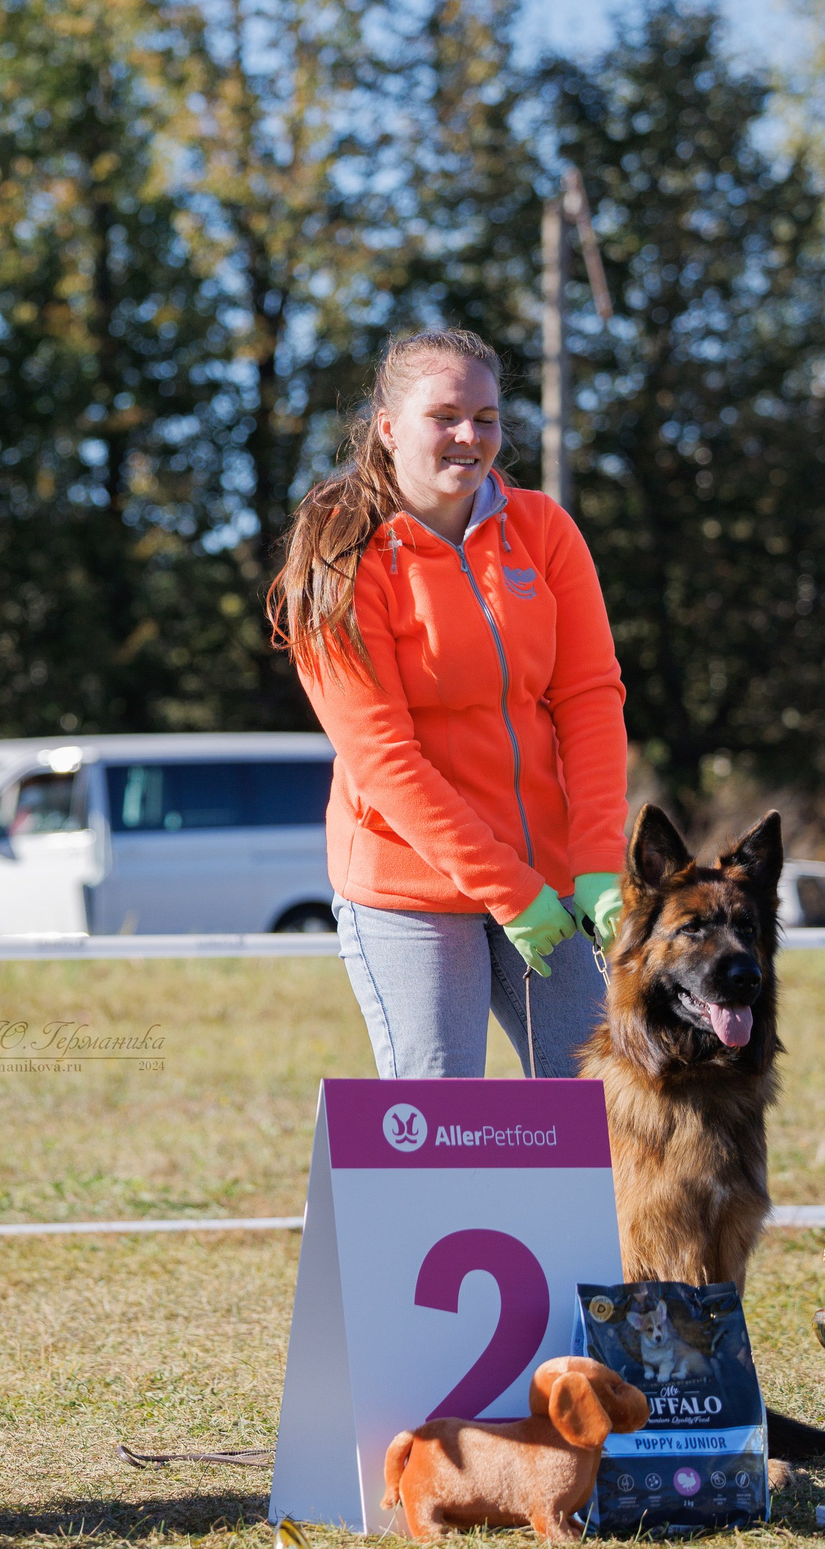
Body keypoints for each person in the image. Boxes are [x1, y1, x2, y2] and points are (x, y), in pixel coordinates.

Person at [268, 329, 628, 1078]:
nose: (470, 436)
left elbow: (590, 697)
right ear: (388, 428)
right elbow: (382, 759)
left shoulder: (544, 529)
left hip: (551, 877)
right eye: (445, 416)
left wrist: (597, 859)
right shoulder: (340, 555)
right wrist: (508, 889)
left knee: (598, 1104)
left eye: (486, 418)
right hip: (410, 889)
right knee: (437, 1112)